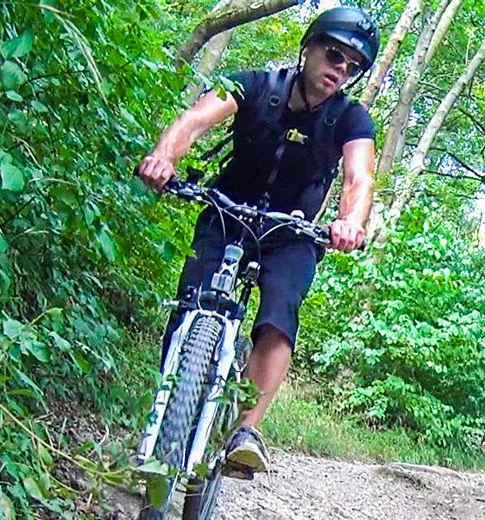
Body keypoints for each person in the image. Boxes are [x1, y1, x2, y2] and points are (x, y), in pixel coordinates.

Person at [137, 7, 379, 475]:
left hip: (293, 232)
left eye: (352, 66)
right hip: (227, 211)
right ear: (308, 47)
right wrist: (163, 157)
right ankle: (168, 415)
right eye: (334, 55)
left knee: (279, 312)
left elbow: (359, 177)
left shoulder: (351, 119)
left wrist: (350, 221)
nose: (340, 70)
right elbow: (196, 120)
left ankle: (246, 430)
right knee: (191, 301)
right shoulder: (253, 85)